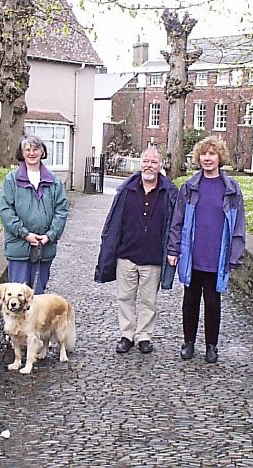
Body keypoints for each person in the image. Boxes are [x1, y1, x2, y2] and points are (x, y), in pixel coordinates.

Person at [167, 136, 246, 364]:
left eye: (212, 154)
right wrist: (174, 250)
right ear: (198, 158)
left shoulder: (231, 188)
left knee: (213, 302)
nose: (207, 158)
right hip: (192, 254)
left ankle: (212, 345)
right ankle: (188, 342)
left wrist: (235, 254)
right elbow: (177, 221)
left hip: (217, 255)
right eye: (204, 154)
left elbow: (238, 223)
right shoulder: (190, 186)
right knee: (190, 300)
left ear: (219, 157)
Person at [95, 147, 178, 354]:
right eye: (146, 161)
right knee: (125, 298)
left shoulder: (169, 193)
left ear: (161, 166)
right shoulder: (126, 190)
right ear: (140, 164)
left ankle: (144, 336)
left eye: (154, 162)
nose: (149, 165)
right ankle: (127, 334)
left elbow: (175, 225)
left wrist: (172, 250)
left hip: (152, 258)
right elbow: (113, 223)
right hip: (127, 255)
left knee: (149, 301)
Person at [0, 135, 68, 294]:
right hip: (19, 247)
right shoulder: (11, 180)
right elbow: (6, 211)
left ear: (42, 151)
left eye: (35, 149)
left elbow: (61, 210)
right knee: (16, 298)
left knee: (38, 297)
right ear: (22, 153)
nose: (32, 153)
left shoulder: (54, 181)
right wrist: (25, 234)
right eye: (27, 149)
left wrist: (50, 236)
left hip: (44, 247)